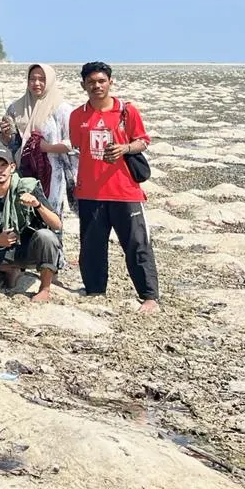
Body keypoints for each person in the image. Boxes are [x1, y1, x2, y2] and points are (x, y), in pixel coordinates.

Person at [69, 62, 159, 312]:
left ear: (110, 82)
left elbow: (143, 141)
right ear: (83, 85)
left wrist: (125, 148)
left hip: (125, 191)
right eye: (91, 82)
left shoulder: (127, 112)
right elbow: (77, 146)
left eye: (101, 81)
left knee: (137, 244)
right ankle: (95, 290)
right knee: (92, 245)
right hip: (90, 192)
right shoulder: (77, 115)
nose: (96, 86)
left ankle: (149, 296)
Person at [0, 147, 63, 302]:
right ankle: (10, 270)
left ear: (12, 168)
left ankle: (45, 288)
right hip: (0, 251)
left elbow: (57, 225)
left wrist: (37, 205)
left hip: (28, 249)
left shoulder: (27, 188)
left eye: (4, 165)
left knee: (46, 236)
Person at [0, 64, 78, 218]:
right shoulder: (15, 108)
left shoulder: (61, 109)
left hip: (53, 172)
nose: (36, 83)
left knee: (50, 214)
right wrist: (6, 134)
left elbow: (74, 144)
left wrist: (46, 147)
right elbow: (12, 144)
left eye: (42, 79)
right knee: (23, 213)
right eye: (32, 79)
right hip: (22, 170)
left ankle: (53, 242)